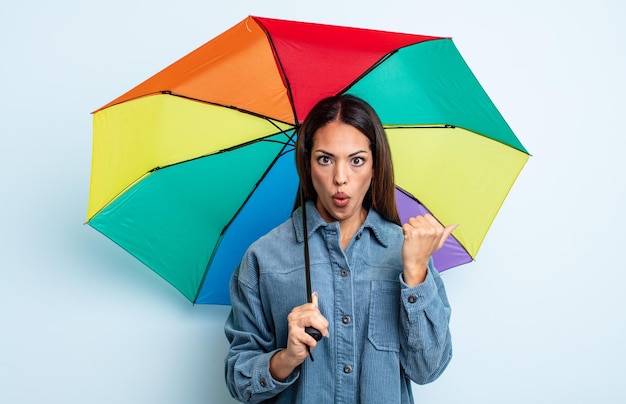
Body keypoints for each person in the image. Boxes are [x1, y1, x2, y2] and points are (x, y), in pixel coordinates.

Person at [225, 94, 455, 403]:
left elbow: (428, 369)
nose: (340, 178)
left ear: (375, 167)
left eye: (356, 160)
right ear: (307, 165)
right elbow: (240, 382)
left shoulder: (407, 251)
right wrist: (287, 357)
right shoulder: (264, 258)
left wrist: (415, 273)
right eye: (325, 159)